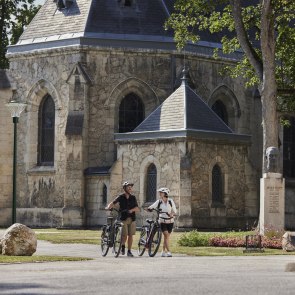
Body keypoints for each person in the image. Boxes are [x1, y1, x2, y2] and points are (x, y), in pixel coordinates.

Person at [106, 181, 140, 257]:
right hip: (123, 218)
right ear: (125, 188)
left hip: (132, 218)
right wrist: (108, 207)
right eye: (128, 187)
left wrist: (131, 210)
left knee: (130, 235)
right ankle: (123, 246)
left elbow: (137, 208)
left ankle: (129, 251)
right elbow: (113, 203)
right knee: (124, 235)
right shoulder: (121, 197)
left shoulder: (133, 197)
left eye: (131, 187)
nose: (130, 188)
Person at [148, 187, 177, 257]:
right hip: (162, 221)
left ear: (165, 193)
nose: (159, 193)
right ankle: (169, 251)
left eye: (161, 192)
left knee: (166, 237)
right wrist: (149, 208)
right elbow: (152, 206)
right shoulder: (159, 201)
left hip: (170, 221)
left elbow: (175, 211)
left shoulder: (170, 201)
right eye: (159, 192)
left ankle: (163, 251)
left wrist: (172, 214)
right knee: (166, 235)